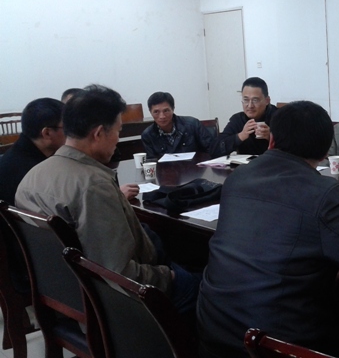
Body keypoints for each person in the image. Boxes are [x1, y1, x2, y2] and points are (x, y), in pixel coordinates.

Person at [198, 101, 339, 358]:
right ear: (325, 151)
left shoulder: (237, 178)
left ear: (272, 141)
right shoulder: (325, 194)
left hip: (213, 334)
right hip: (275, 346)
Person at [15, 85, 200, 313]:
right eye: (118, 131)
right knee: (205, 285)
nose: (117, 139)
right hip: (112, 306)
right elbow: (119, 274)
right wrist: (167, 276)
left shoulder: (33, 176)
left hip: (61, 293)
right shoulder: (93, 186)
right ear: (99, 133)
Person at [0, 98, 65, 206]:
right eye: (68, 128)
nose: (72, 133)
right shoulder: (34, 173)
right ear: (47, 133)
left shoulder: (22, 149)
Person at [211, 77, 278, 157]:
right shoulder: (238, 120)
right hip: (246, 164)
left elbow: (291, 150)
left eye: (255, 100)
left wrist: (271, 138)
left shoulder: (280, 117)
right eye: (246, 100)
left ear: (267, 101)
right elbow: (214, 150)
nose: (250, 106)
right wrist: (240, 136)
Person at [141, 91, 216, 160]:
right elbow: (152, 163)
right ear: (150, 112)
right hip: (165, 170)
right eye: (156, 112)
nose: (162, 116)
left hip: (194, 168)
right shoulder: (147, 135)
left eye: (166, 111)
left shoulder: (193, 125)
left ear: (173, 109)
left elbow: (212, 150)